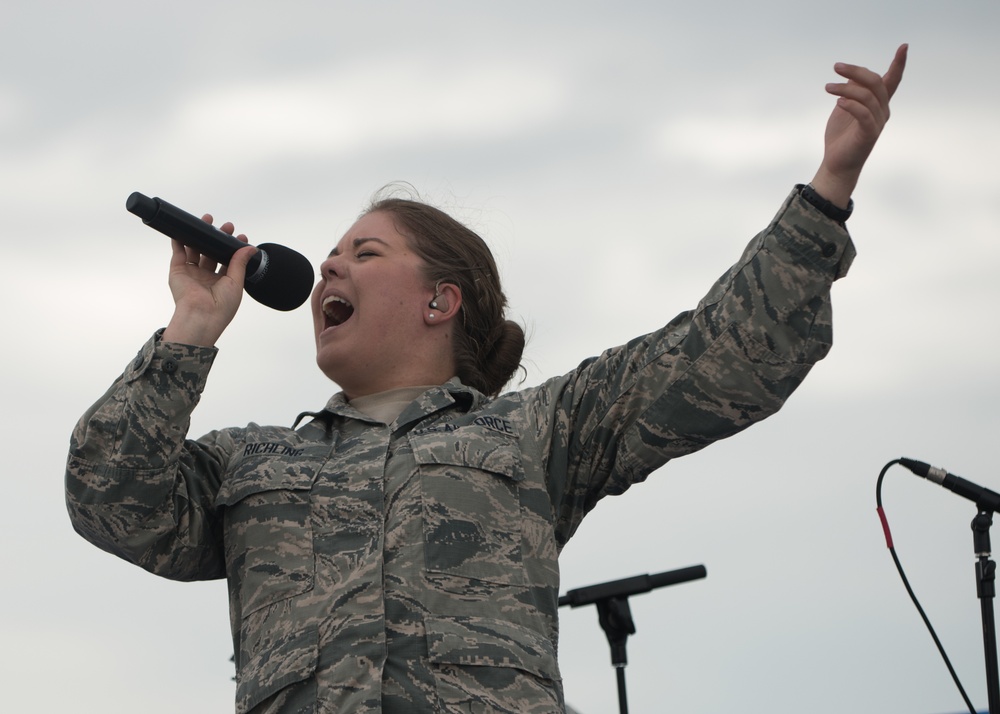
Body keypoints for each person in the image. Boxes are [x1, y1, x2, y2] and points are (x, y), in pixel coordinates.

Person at [66, 45, 908, 714]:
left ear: (441, 301)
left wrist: (829, 188)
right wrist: (190, 333)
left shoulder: (537, 434)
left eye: (364, 253)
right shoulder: (249, 466)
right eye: (329, 257)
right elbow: (110, 498)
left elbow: (725, 355)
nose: (329, 267)